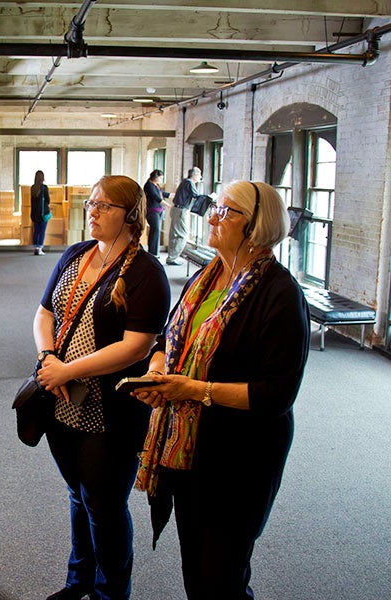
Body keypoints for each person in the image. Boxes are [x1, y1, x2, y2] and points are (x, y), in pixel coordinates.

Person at [131, 180, 310, 600]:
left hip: (239, 458)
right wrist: (158, 372)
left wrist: (192, 390)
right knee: (196, 569)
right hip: (188, 451)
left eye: (227, 211)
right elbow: (166, 340)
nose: (211, 215)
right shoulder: (205, 277)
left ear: (256, 226)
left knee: (222, 576)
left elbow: (275, 395)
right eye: (216, 207)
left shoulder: (279, 294)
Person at [33, 175, 171, 600]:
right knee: (78, 496)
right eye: (91, 202)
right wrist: (48, 357)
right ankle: (79, 584)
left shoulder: (147, 273)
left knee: (104, 506)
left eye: (104, 206)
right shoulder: (76, 255)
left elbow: (136, 347)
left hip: (111, 411)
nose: (92, 211)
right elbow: (43, 314)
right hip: (62, 403)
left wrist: (67, 370)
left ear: (131, 215)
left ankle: (110, 594)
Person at [166, 167, 202, 265]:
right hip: (181, 211)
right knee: (183, 234)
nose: (201, 177)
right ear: (195, 175)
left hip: (176, 209)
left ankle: (171, 257)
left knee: (174, 234)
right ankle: (172, 258)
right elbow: (196, 195)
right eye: (199, 175)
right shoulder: (190, 183)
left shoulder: (185, 182)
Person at [143, 169, 171, 257]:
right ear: (156, 177)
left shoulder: (156, 185)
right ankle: (152, 252)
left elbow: (163, 194)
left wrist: (174, 195)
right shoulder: (149, 185)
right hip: (152, 211)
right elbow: (156, 197)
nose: (161, 180)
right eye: (160, 178)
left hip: (159, 211)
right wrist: (168, 205)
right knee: (155, 230)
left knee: (156, 231)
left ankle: (154, 252)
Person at [30, 170, 51, 255]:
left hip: (34, 214)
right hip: (43, 214)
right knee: (42, 231)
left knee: (36, 231)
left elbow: (32, 202)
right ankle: (40, 248)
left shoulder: (32, 188)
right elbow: (48, 200)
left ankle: (35, 247)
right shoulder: (44, 188)